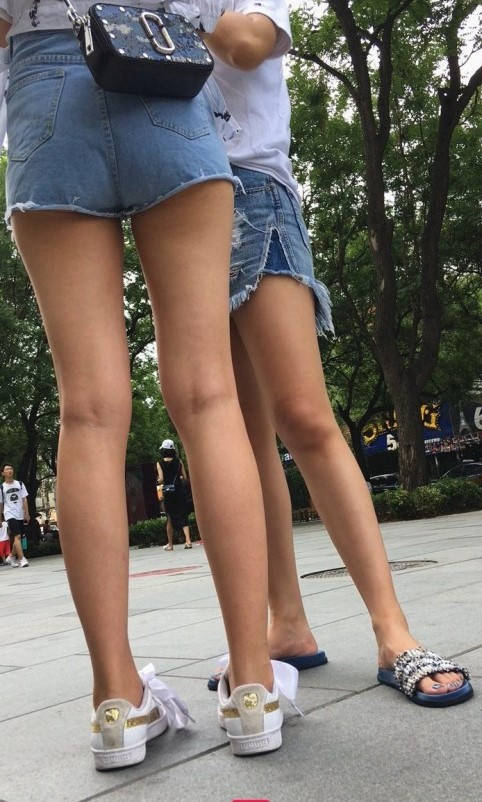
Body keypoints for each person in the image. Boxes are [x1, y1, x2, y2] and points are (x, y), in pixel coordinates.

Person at [0, 0, 290, 766]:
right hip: (164, 69)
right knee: (209, 396)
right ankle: (253, 685)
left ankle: (117, 703)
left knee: (89, 411)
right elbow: (224, 21)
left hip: (43, 87)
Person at [179, 0, 472, 706]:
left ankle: (392, 629)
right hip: (176, 196)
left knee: (305, 418)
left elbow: (248, 42)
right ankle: (285, 623)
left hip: (252, 189)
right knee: (243, 438)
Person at [156, 438, 192, 550]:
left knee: (170, 517)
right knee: (183, 515)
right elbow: (185, 477)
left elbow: (161, 479)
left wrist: (158, 480)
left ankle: (170, 544)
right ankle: (188, 541)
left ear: (163, 450)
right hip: (179, 491)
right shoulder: (179, 461)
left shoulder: (159, 463)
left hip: (168, 492)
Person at [0, 464, 29, 567]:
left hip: (20, 513)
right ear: (3, 473)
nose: (10, 470)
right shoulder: (2, 487)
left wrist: (27, 513)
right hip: (9, 513)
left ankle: (11, 556)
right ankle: (22, 559)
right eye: (7, 469)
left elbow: (24, 499)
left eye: (11, 468)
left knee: (18, 537)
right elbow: (1, 504)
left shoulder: (20, 484)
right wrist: (0, 518)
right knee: (17, 536)